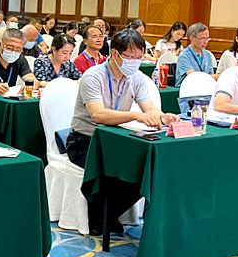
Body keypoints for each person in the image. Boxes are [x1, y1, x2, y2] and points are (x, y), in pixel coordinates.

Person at [66, 29, 180, 234]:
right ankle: (100, 216)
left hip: (117, 140)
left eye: (139, 57)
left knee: (145, 169)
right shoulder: (93, 76)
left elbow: (149, 108)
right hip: (85, 140)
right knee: (113, 171)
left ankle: (107, 214)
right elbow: (98, 115)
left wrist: (163, 117)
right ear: (115, 54)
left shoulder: (137, 77)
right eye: (130, 57)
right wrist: (135, 116)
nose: (135, 62)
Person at [175, 22, 218, 87]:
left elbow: (211, 77)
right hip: (187, 89)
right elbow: (193, 77)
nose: (205, 42)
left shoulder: (207, 54)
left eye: (207, 38)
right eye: (202, 39)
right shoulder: (184, 55)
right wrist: (216, 76)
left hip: (204, 88)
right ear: (192, 38)